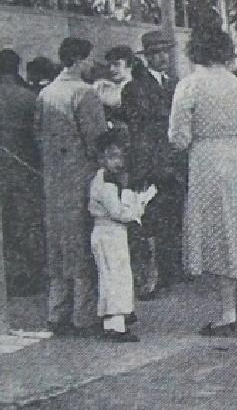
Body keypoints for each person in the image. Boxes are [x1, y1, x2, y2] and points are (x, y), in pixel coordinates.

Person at [168, 23, 237, 337]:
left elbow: (178, 137)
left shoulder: (189, 85)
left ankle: (228, 314)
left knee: (218, 233)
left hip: (208, 161)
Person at [35, 37, 107, 337]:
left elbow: (38, 136)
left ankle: (56, 312)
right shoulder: (85, 93)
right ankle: (83, 316)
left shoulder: (45, 93)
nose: (92, 65)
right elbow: (97, 141)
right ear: (79, 60)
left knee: (58, 247)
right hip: (81, 179)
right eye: (90, 59)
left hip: (54, 180)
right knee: (82, 247)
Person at [122, 30, 186, 300]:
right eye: (155, 54)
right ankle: (153, 277)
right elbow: (142, 128)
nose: (161, 58)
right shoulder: (134, 88)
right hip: (151, 163)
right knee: (151, 222)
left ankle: (171, 271)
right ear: (146, 58)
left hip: (173, 162)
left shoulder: (175, 84)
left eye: (164, 52)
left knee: (172, 218)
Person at [88, 130, 156, 342]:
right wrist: (139, 205)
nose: (118, 162)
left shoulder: (105, 180)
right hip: (110, 232)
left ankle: (113, 321)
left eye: (120, 156)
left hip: (109, 233)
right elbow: (118, 213)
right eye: (112, 156)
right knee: (117, 277)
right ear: (101, 159)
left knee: (112, 276)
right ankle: (116, 325)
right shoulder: (107, 184)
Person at [0, 49, 44, 296]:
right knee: (26, 222)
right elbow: (38, 136)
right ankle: (26, 276)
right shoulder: (29, 97)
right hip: (23, 168)